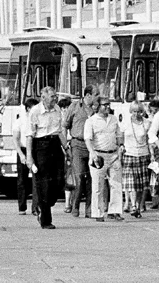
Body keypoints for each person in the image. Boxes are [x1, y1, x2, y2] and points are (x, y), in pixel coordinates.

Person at [25, 86, 66, 229]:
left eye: (55, 96)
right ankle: (45, 219)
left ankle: (45, 204)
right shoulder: (35, 111)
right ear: (43, 98)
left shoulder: (57, 110)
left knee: (60, 180)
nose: (55, 98)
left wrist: (66, 148)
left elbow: (60, 131)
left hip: (55, 144)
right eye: (52, 96)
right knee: (44, 184)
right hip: (41, 146)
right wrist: (29, 157)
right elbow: (29, 135)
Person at [84, 98, 122, 221]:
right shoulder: (91, 121)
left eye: (108, 105)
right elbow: (88, 139)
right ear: (97, 106)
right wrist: (93, 153)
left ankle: (115, 211)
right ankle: (98, 212)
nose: (107, 107)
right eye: (104, 105)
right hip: (99, 155)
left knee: (116, 184)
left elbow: (119, 134)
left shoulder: (113, 119)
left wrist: (121, 146)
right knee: (98, 185)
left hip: (113, 154)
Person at [62, 87, 95, 218]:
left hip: (92, 146)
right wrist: (65, 146)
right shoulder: (74, 106)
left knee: (92, 179)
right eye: (96, 94)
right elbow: (65, 125)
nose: (98, 97)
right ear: (88, 95)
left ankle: (89, 209)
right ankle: (75, 206)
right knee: (79, 177)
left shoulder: (97, 109)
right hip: (77, 145)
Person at [120, 102, 150, 218]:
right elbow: (120, 136)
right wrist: (121, 146)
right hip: (129, 154)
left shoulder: (147, 123)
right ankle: (132, 205)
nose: (136, 114)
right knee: (131, 182)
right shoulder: (125, 123)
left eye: (138, 111)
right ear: (130, 111)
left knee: (141, 184)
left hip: (143, 154)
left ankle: (138, 205)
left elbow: (149, 138)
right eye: (134, 111)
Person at [14, 97, 39, 215]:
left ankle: (35, 207)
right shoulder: (20, 121)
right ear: (28, 109)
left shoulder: (37, 120)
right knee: (22, 180)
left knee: (37, 179)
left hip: (35, 149)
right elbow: (16, 139)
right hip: (23, 150)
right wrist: (21, 155)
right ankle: (22, 207)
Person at [144, 99, 159, 209]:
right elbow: (149, 139)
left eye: (155, 111)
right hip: (152, 152)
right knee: (154, 177)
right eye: (151, 111)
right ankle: (156, 200)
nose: (153, 113)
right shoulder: (149, 122)